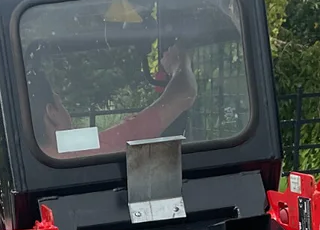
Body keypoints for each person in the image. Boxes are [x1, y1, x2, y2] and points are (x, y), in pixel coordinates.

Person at [28, 45, 197, 157]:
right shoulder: (75, 150)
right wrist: (180, 63)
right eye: (61, 103)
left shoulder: (39, 153)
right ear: (52, 112)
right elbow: (185, 94)